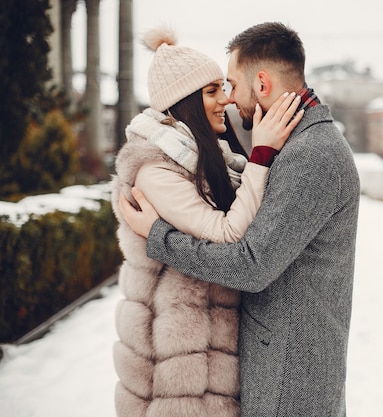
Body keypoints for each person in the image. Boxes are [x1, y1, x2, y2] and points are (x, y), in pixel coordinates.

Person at [120, 22, 360, 417]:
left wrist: (159, 237)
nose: (229, 100)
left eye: (229, 85)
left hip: (291, 374)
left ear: (262, 84)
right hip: (269, 364)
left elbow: (250, 265)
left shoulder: (312, 156)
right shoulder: (297, 146)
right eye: (216, 90)